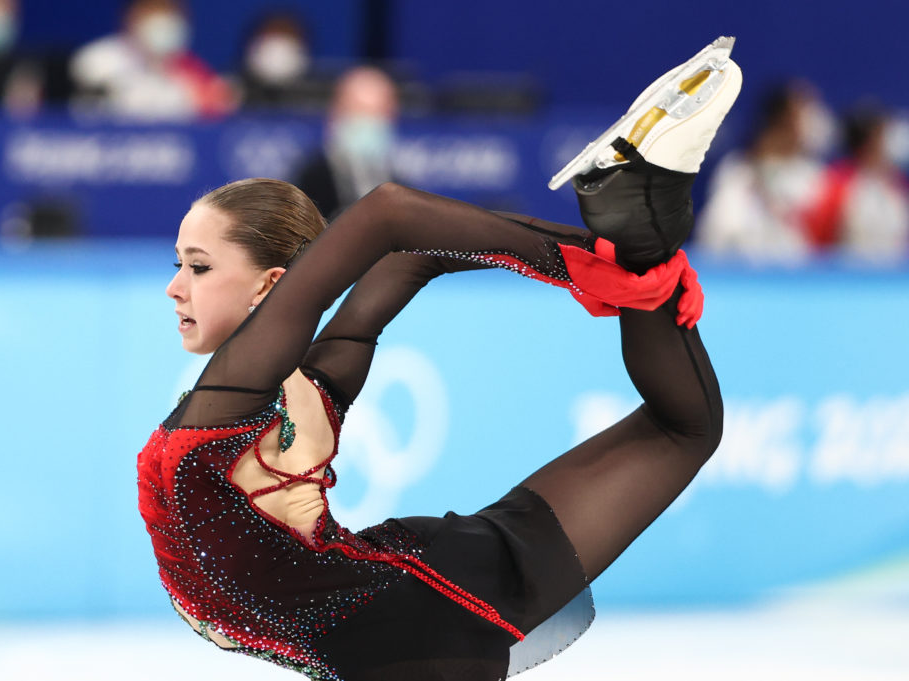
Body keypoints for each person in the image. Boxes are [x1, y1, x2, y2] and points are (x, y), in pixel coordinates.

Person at [138, 37, 740, 680]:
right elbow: (411, 255)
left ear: (270, 287)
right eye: (179, 265)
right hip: (424, 582)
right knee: (687, 428)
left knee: (685, 431)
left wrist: (581, 264)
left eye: (199, 267)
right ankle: (641, 226)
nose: (175, 287)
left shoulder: (221, 407)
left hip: (403, 640)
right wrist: (606, 260)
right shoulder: (319, 386)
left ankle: (634, 228)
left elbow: (389, 216)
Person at [695, 80, 832, 263]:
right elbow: (714, 237)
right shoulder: (738, 170)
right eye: (804, 111)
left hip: (806, 282)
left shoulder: (815, 176)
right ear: (784, 119)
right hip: (746, 281)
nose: (814, 120)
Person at [69, 0, 235, 121]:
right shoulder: (97, 61)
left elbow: (213, 115)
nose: (163, 18)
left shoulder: (191, 69)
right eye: (154, 9)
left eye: (170, 11)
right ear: (132, 15)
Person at [803, 104, 909, 262]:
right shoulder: (838, 184)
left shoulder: (898, 184)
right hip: (850, 279)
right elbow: (819, 242)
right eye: (884, 134)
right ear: (869, 141)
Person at [295, 66, 400, 220]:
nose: (368, 124)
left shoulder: (400, 186)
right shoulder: (308, 184)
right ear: (335, 113)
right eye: (359, 112)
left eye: (377, 114)